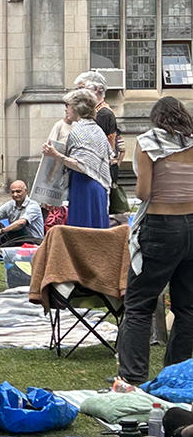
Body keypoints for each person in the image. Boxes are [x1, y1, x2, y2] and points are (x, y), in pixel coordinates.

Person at [117, 97, 193, 386]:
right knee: (187, 307)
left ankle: (132, 377)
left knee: (139, 305)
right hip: (192, 222)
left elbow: (144, 192)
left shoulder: (148, 142)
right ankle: (176, 375)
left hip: (161, 225)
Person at [41, 88, 111, 229]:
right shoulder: (96, 129)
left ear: (77, 109)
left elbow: (81, 165)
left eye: (68, 107)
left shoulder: (79, 130)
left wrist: (56, 154)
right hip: (97, 188)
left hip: (85, 187)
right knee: (97, 233)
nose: (66, 110)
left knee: (82, 234)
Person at [76, 71, 124, 207]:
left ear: (96, 90)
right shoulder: (99, 112)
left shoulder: (102, 114)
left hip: (98, 171)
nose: (78, 94)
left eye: (81, 89)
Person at [0, 180, 45, 246]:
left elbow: (21, 223)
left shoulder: (33, 205)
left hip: (34, 241)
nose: (15, 194)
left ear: (26, 191)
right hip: (16, 239)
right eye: (13, 192)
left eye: (18, 191)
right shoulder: (10, 204)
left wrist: (1, 231)